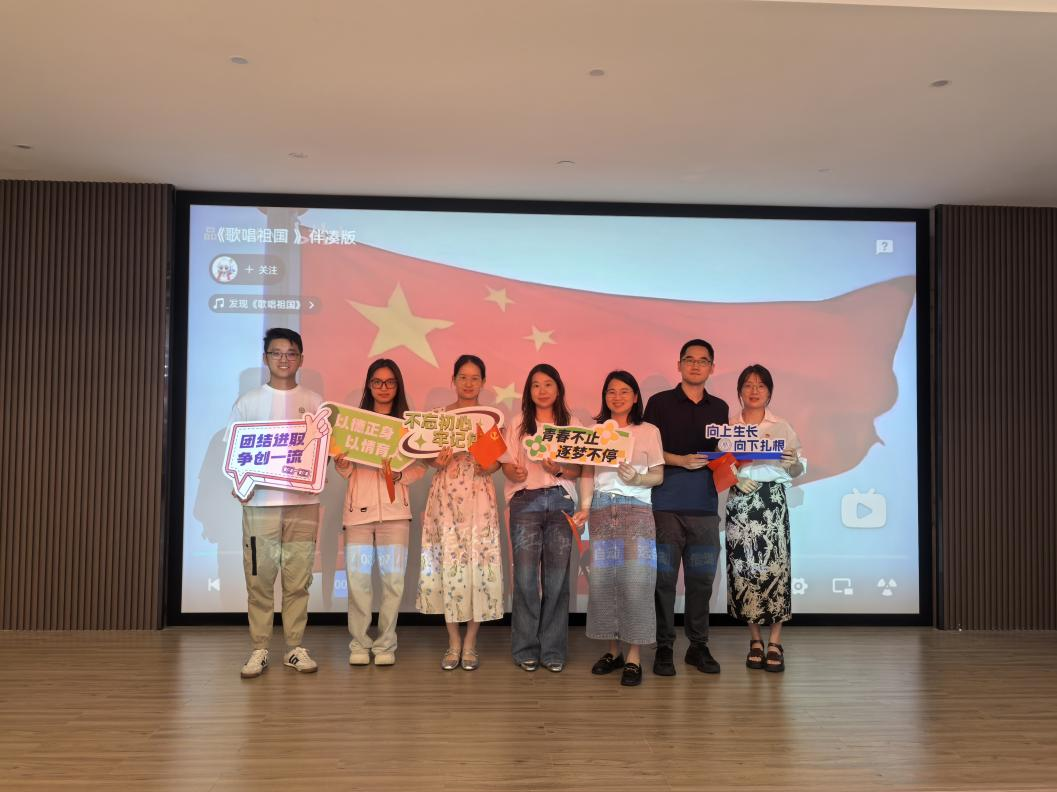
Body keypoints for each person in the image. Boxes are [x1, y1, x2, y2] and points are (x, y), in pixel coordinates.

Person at [230, 328, 322, 679]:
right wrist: (239, 482)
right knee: (259, 579)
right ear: (265, 358)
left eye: (291, 353)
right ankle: (259, 648)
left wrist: (321, 467)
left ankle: (294, 647)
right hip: (259, 506)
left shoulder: (315, 401)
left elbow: (323, 452)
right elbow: (235, 453)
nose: (284, 359)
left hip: (303, 503)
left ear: (301, 358)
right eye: (276, 352)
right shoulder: (248, 402)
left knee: (298, 581)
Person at [642, 339, 730, 676]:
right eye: (689, 359)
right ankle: (664, 646)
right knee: (663, 580)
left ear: (712, 368)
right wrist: (679, 460)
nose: (695, 365)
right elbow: (646, 449)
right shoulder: (659, 403)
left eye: (703, 360)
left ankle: (698, 646)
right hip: (665, 505)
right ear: (679, 365)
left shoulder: (719, 408)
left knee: (701, 580)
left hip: (705, 507)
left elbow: (723, 453)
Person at [571, 371, 664, 686]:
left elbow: (658, 475)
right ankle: (613, 652)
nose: (618, 397)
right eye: (611, 391)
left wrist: (638, 479)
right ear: (605, 397)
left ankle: (634, 656)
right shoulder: (595, 432)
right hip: (601, 509)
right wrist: (585, 508)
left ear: (635, 397)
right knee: (604, 582)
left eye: (625, 391)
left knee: (637, 582)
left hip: (636, 509)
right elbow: (587, 473)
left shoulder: (648, 430)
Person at [416, 354, 504, 671]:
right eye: (463, 377)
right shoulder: (438, 418)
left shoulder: (489, 419)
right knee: (447, 565)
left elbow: (497, 464)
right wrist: (435, 461)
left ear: (483, 382)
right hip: (445, 498)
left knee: (478, 566)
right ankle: (453, 642)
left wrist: (485, 463)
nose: (468, 383)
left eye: (475, 377)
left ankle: (471, 643)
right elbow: (424, 457)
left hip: (479, 496)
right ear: (453, 380)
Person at [334, 359, 424, 667]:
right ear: (369, 385)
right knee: (358, 582)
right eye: (377, 382)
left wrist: (400, 476)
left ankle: (386, 643)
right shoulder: (353, 423)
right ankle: (359, 643)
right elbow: (347, 471)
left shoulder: (408, 426)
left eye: (390, 382)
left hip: (395, 516)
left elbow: (421, 465)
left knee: (393, 582)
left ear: (397, 386)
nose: (383, 388)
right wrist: (342, 464)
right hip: (358, 516)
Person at [500, 363, 581, 672]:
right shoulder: (519, 423)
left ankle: (553, 650)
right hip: (526, 501)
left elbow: (578, 469)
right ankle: (525, 648)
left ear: (558, 388)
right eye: (536, 385)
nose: (542, 390)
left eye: (548, 384)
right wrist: (514, 471)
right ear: (529, 391)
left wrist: (558, 469)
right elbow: (507, 463)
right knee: (525, 578)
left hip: (561, 502)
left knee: (557, 579)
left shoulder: (571, 423)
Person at [725, 364, 805, 673]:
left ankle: (775, 641)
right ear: (740, 391)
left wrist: (793, 462)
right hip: (741, 500)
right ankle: (755, 640)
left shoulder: (782, 426)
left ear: (769, 392)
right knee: (745, 569)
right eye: (748, 385)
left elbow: (796, 469)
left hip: (772, 499)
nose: (754, 390)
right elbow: (720, 465)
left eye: (761, 385)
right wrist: (734, 478)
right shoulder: (729, 427)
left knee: (776, 568)